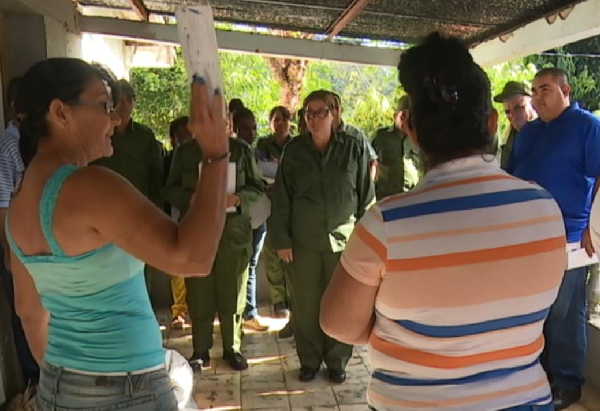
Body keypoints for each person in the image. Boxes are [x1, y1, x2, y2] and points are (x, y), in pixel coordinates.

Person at [320, 32, 566, 411]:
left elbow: (339, 324)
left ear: (413, 131)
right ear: (492, 122)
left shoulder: (386, 224)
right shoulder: (545, 210)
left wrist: (407, 334)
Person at [7, 58, 229, 410]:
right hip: (128, 387)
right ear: (60, 112)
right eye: (104, 105)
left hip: (59, 386)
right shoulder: (89, 187)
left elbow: (30, 311)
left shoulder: (19, 201)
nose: (114, 118)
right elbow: (193, 258)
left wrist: (69, 378)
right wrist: (217, 154)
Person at [507, 67, 600, 409]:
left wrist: (595, 226)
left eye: (544, 88)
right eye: (534, 90)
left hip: (571, 238)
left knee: (565, 312)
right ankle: (540, 375)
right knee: (536, 310)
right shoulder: (529, 132)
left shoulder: (587, 127)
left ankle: (568, 382)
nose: (536, 96)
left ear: (566, 89)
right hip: (527, 238)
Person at [270, 90, 375, 383]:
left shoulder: (354, 147)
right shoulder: (294, 151)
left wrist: (366, 243)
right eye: (309, 113)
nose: (314, 119)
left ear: (335, 113)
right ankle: (310, 361)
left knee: (344, 304)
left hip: (345, 244)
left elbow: (366, 198)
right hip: (303, 244)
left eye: (321, 112)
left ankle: (337, 361)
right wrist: (282, 240)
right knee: (305, 306)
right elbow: (281, 198)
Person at [163, 118, 266, 371]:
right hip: (198, 231)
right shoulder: (185, 152)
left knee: (234, 292)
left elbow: (257, 188)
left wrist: (239, 197)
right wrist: (191, 197)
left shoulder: (241, 150)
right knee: (199, 293)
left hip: (233, 233)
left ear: (229, 123)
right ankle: (200, 351)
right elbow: (169, 189)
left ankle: (233, 348)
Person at [0, 76, 39, 385]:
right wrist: (11, 255)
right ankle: (37, 384)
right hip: (21, 249)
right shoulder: (9, 145)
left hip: (40, 247)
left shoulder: (36, 143)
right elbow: (3, 204)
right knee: (27, 318)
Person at [256, 106, 294, 337]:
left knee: (292, 256)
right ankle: (279, 300)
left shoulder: (298, 144)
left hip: (291, 206)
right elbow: (258, 170)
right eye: (276, 120)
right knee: (271, 254)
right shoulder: (262, 145)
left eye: (284, 119)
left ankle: (292, 299)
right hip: (270, 203)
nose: (280, 123)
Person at [232, 107, 269, 332]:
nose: (252, 132)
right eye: (246, 128)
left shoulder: (256, 152)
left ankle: (248, 312)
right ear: (234, 128)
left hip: (259, 216)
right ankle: (242, 313)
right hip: (239, 219)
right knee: (240, 266)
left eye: (254, 127)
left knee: (251, 264)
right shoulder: (232, 153)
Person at [165, 116, 192, 330]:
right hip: (172, 218)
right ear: (173, 139)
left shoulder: (200, 156)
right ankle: (179, 311)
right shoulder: (168, 159)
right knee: (177, 266)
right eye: (181, 135)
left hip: (196, 219)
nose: (186, 138)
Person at [371, 95, 422, 199]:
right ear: (395, 115)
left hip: (413, 197)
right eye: (402, 114)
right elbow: (370, 164)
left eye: (409, 115)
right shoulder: (381, 136)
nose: (404, 118)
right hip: (386, 198)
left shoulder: (419, 138)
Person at [493, 81, 537, 170]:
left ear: (533, 104)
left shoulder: (548, 132)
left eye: (518, 108)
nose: (512, 115)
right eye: (507, 112)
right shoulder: (508, 140)